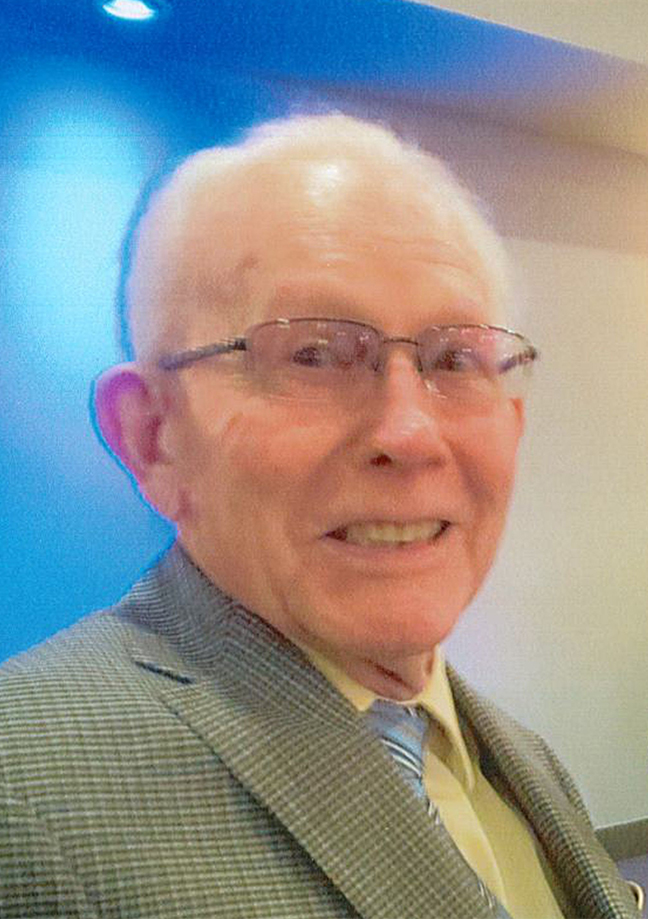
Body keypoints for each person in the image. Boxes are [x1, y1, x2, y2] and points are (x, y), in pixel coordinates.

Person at [0, 114, 639, 919]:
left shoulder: (521, 758)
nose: (410, 433)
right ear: (154, 436)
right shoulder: (22, 796)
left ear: (513, 420)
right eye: (314, 354)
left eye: (454, 358)